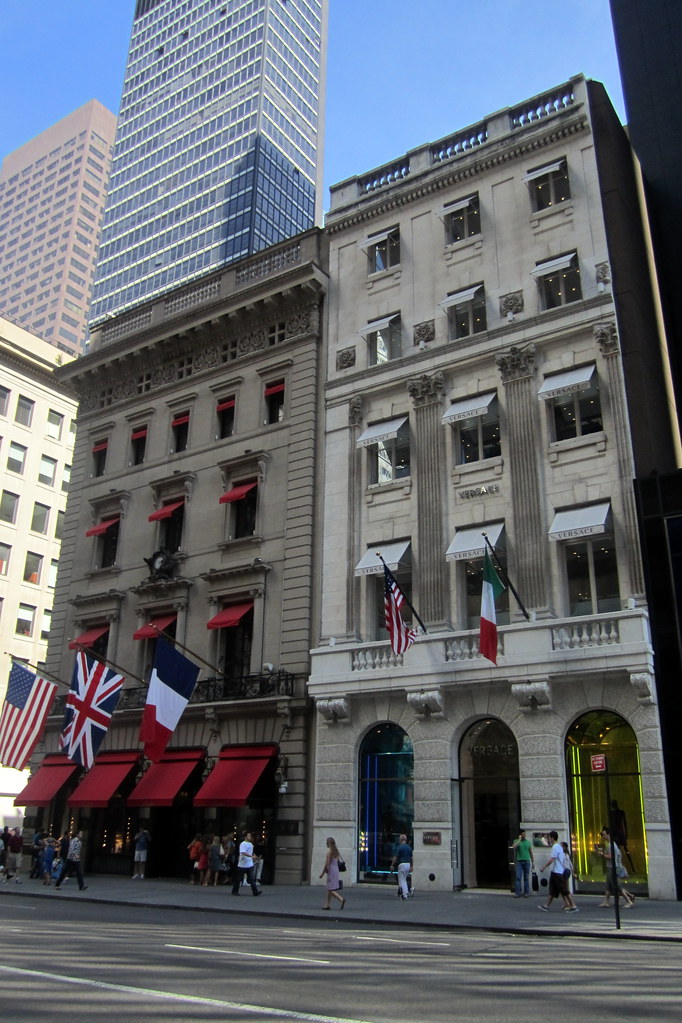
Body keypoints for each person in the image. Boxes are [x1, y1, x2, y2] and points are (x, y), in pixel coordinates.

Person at [538, 831, 578, 912]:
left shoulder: (555, 847)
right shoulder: (559, 846)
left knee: (564, 890)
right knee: (552, 890)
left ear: (552, 838)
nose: (549, 839)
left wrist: (544, 866)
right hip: (555, 871)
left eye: (549, 837)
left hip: (557, 872)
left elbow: (552, 859)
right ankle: (546, 906)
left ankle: (573, 906)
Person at [596, 827, 635, 908]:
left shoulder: (611, 845)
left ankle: (629, 901)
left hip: (613, 867)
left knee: (617, 886)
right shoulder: (611, 844)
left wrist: (602, 855)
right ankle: (607, 901)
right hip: (612, 866)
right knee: (608, 885)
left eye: (604, 834)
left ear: (608, 834)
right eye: (602, 834)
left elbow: (611, 857)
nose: (603, 836)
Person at [319, 836, 345, 910]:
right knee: (329, 888)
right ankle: (327, 905)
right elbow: (337, 862)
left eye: (327, 843)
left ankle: (341, 899)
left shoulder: (329, 853)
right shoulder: (336, 852)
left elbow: (327, 864)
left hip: (331, 871)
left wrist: (322, 874)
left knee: (330, 889)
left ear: (328, 844)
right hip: (336, 870)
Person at [231, 831, 261, 896]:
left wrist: (254, 856)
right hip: (242, 865)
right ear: (245, 837)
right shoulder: (243, 844)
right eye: (248, 836)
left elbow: (251, 852)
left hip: (249, 864)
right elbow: (243, 852)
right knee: (238, 879)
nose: (250, 837)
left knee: (252, 879)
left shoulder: (250, 844)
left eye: (250, 836)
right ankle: (234, 891)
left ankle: (255, 892)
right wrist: (251, 856)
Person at [512, 828, 534, 898]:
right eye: (522, 834)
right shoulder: (516, 841)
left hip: (527, 861)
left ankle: (526, 892)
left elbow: (531, 853)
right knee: (518, 877)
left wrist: (533, 862)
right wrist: (519, 840)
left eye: (524, 834)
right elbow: (514, 847)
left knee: (526, 878)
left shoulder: (528, 842)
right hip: (519, 861)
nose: (524, 835)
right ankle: (517, 893)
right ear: (520, 835)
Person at [391, 833, 414, 900]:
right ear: (406, 840)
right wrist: (412, 866)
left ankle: (405, 894)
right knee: (403, 879)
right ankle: (403, 891)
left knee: (402, 880)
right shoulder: (409, 847)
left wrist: (392, 864)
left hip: (402, 864)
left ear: (400, 840)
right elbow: (412, 858)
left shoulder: (399, 847)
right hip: (408, 864)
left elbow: (395, 857)